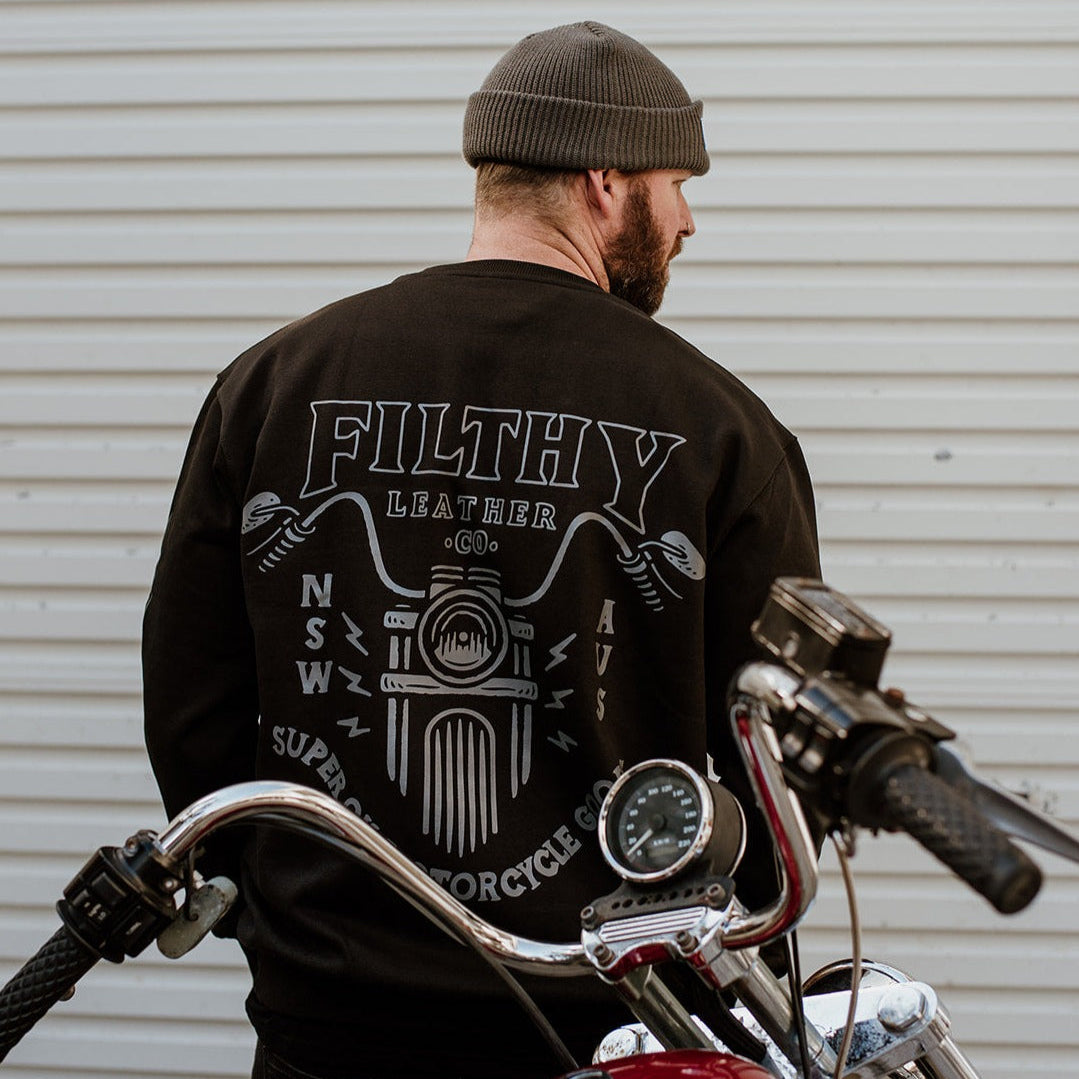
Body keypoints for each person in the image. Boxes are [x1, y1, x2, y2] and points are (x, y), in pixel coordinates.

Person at [142, 21, 820, 1079]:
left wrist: (280, 923)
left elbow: (194, 708)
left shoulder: (275, 383)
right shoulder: (717, 426)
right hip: (616, 1021)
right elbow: (776, 766)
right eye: (676, 184)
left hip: (333, 1020)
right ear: (605, 181)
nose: (688, 220)